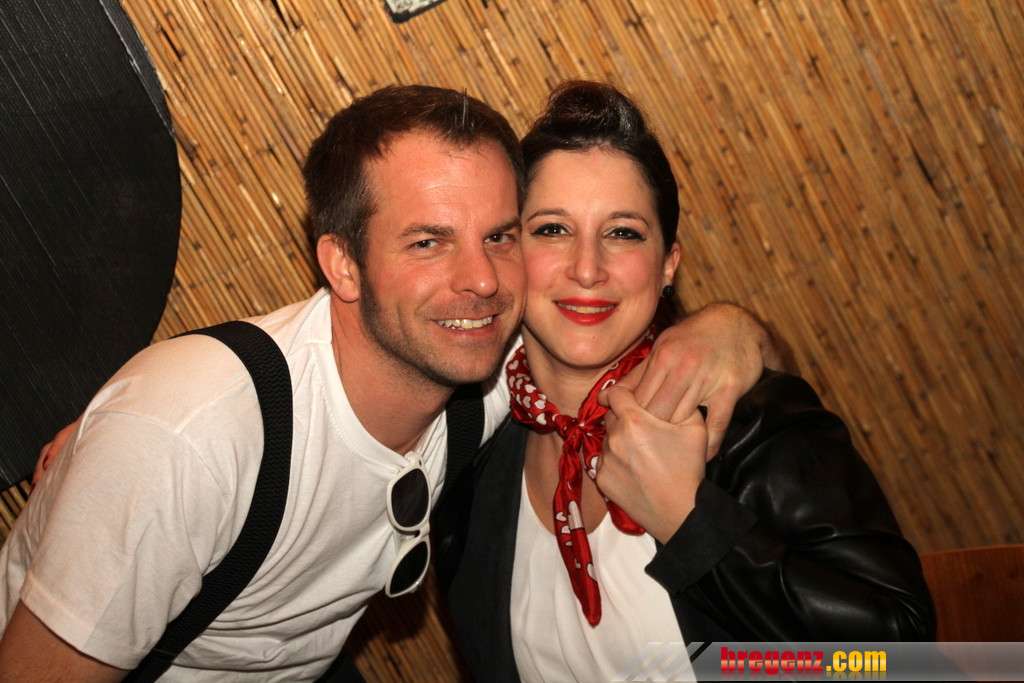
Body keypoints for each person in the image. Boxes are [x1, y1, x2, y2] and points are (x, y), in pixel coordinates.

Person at [0, 84, 779, 681]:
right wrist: (131, 446)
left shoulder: (503, 372)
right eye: (428, 242)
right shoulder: (194, 438)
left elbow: (855, 661)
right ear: (341, 263)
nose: (481, 279)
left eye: (498, 235)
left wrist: (732, 328)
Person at [435, 80, 936, 682]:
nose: (587, 268)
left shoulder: (749, 422)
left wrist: (689, 523)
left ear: (668, 265)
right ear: (509, 251)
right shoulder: (469, 468)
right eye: (552, 229)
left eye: (623, 232)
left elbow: (900, 653)